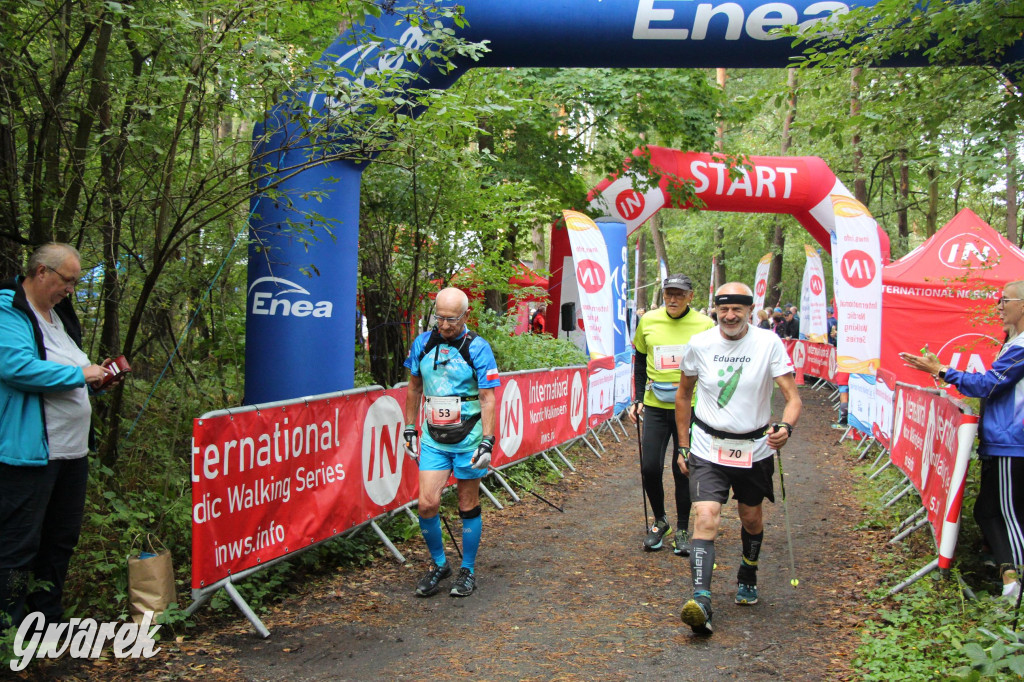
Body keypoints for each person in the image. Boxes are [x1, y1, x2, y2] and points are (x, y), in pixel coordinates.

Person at [673, 282, 802, 635]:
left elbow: (793, 397)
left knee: (751, 517)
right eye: (724, 309)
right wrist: (682, 445)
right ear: (715, 309)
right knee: (706, 515)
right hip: (707, 446)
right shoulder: (700, 343)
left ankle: (748, 570)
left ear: (749, 310)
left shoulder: (768, 342)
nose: (730, 316)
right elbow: (683, 396)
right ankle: (701, 599)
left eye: (738, 310)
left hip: (755, 447)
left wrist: (786, 428)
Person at [0, 243, 111, 629]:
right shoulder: (8, 309)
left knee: (60, 542)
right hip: (28, 454)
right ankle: (8, 631)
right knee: (17, 546)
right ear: (42, 272)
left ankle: (47, 621)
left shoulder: (58, 314)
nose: (71, 289)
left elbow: (72, 368)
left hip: (71, 453)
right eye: (67, 280)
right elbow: (15, 367)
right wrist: (81, 375)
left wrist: (98, 379)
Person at [899, 281, 1024, 601]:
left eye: (1005, 300)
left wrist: (941, 369)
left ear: (1022, 305)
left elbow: (988, 385)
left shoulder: (1023, 345)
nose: (998, 306)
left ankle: (1017, 591)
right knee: (987, 511)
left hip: (1013, 443)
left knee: (1008, 515)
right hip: (1001, 441)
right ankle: (1010, 580)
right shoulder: (1012, 342)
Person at [403, 287, 500, 598]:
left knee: (467, 504)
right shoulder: (423, 343)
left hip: (468, 438)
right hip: (433, 438)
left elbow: (487, 398)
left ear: (466, 316)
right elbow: (414, 389)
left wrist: (487, 441)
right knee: (427, 503)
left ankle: (467, 569)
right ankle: (439, 564)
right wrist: (409, 428)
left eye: (451, 320)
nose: (444, 325)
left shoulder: (478, 348)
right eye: (439, 318)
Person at [628, 275, 715, 556]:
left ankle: (682, 529)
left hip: (691, 409)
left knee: (684, 469)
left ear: (691, 296)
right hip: (655, 406)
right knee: (649, 467)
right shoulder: (649, 320)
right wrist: (639, 397)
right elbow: (640, 360)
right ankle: (660, 521)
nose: (673, 300)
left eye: (679, 294)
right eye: (668, 294)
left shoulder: (705, 325)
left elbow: (714, 365)